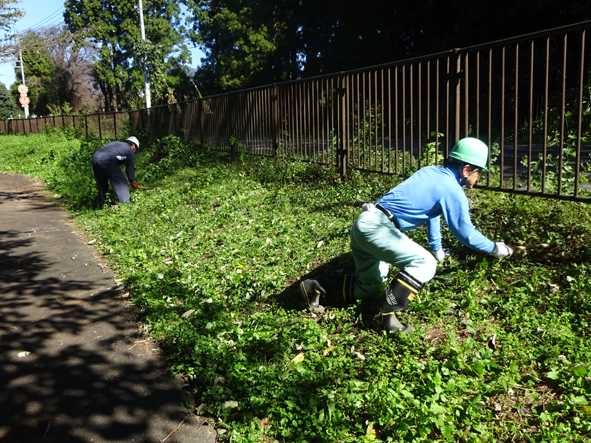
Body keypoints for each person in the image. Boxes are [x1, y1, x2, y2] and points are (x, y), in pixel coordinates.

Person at [299, 137, 513, 334]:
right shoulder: (453, 190)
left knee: (371, 286)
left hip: (366, 222)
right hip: (379, 229)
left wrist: (436, 247)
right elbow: (465, 233)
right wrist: (495, 248)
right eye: (479, 172)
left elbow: (432, 213)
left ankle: (316, 287)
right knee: (426, 264)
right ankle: (383, 317)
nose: (478, 177)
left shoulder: (431, 172)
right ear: (467, 169)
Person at [92, 136, 140, 208]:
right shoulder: (129, 151)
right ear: (133, 145)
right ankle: (125, 205)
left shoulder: (116, 144)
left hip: (95, 158)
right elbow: (130, 168)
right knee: (121, 181)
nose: (135, 150)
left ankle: (101, 204)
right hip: (106, 160)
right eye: (135, 148)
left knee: (102, 182)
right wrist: (132, 181)